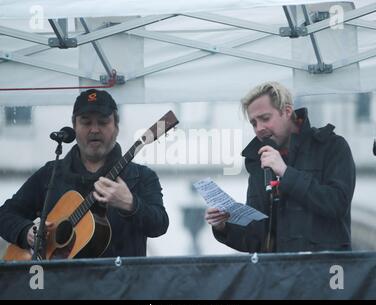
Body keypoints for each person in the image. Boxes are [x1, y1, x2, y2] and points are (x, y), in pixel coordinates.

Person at [0, 89, 169, 258]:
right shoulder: (51, 175)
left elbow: (160, 225)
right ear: (74, 127)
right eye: (86, 122)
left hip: (122, 282)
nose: (94, 130)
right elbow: (5, 215)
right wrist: (26, 232)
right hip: (57, 282)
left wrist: (131, 204)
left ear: (116, 126)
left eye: (103, 122)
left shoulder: (141, 176)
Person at [205, 81, 355, 253]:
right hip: (276, 274)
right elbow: (256, 240)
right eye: (253, 123)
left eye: (265, 118)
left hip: (324, 271)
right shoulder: (258, 161)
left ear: (287, 111)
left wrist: (286, 173)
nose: (259, 128)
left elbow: (337, 204)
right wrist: (223, 227)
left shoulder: (331, 146)